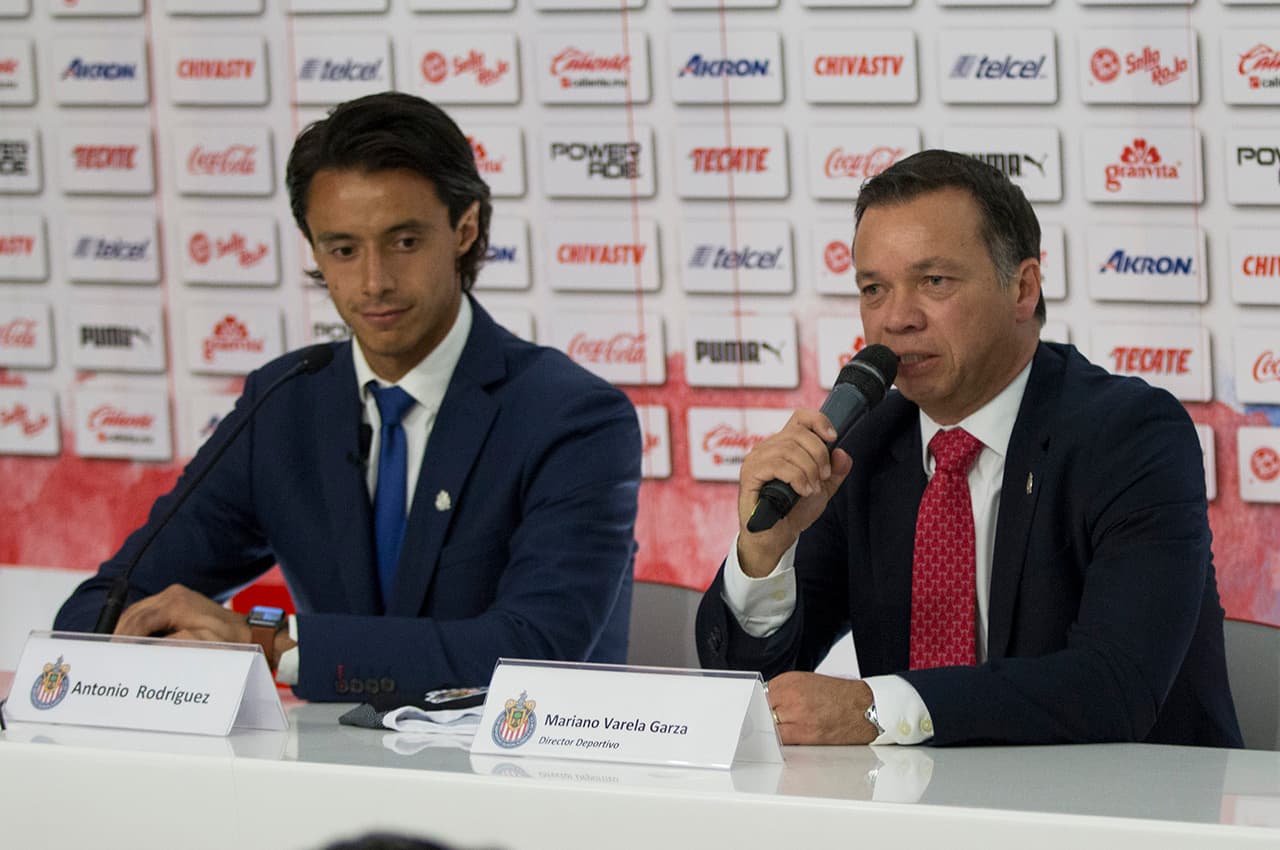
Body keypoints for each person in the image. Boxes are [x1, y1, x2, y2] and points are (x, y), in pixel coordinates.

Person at [54, 92, 642, 701]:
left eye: (405, 242)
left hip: (524, 779)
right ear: (313, 249)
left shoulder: (572, 417)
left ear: (464, 229)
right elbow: (103, 604)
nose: (373, 281)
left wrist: (269, 643)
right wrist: (155, 644)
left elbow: (533, 648)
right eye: (343, 249)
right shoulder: (284, 403)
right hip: (325, 780)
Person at [696, 149, 1242, 747]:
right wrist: (764, 552)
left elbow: (1114, 688)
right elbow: (749, 690)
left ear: (1023, 288)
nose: (896, 319)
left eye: (934, 281)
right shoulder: (865, 446)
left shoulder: (1131, 435)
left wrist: (875, 709)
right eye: (874, 288)